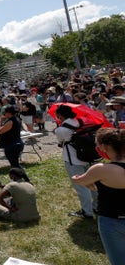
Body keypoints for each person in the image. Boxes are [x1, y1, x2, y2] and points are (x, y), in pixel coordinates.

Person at [71, 128, 125, 264]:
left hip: (112, 220)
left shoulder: (100, 169)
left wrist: (86, 180)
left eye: (97, 144)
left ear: (105, 147)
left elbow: (79, 180)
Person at [54, 105, 96, 219]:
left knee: (81, 186)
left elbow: (60, 142)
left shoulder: (60, 129)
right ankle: (97, 206)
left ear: (60, 115)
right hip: (89, 157)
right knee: (93, 182)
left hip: (73, 159)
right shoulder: (81, 121)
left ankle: (87, 212)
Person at [0, 106, 31, 182]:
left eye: (5, 112)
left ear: (8, 113)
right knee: (14, 164)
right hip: (14, 144)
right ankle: (18, 180)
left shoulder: (11, 121)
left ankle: (26, 180)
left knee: (15, 165)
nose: (4, 114)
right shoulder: (14, 119)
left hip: (12, 145)